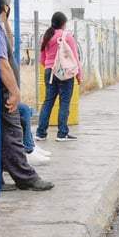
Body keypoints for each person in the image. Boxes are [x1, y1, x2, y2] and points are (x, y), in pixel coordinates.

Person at [0, 0, 54, 193]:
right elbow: (2, 63)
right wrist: (14, 92)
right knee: (12, 133)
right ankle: (26, 178)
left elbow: (9, 46)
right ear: (5, 7)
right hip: (2, 93)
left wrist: (4, 20)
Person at [35, 11, 82, 142]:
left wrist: (50, 67)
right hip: (63, 72)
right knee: (64, 102)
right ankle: (62, 133)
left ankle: (41, 133)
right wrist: (79, 75)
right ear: (63, 23)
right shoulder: (67, 36)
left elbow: (42, 58)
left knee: (48, 101)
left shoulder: (46, 36)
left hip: (49, 71)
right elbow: (75, 58)